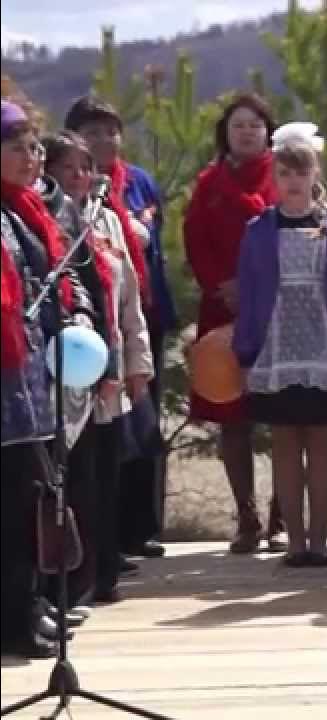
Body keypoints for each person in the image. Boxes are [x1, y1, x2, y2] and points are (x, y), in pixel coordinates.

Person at [232, 123, 327, 568]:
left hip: (323, 349)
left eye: (300, 172)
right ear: (274, 177)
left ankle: (321, 539)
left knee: (322, 442)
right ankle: (294, 539)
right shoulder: (259, 230)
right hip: (277, 348)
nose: (292, 181)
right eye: (284, 172)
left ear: (314, 174)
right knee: (286, 443)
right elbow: (249, 295)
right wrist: (246, 354)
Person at [43, 131, 154, 605]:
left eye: (84, 167)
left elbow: (129, 299)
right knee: (73, 477)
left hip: (105, 365)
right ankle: (67, 581)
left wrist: (138, 362)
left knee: (106, 476)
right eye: (67, 168)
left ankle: (102, 574)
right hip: (58, 372)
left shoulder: (107, 219)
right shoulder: (45, 221)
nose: (78, 176)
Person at [1, 100, 93, 658]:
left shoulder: (25, 211)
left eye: (35, 147)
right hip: (6, 383)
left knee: (34, 499)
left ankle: (30, 606)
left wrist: (75, 311)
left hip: (32, 381)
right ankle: (13, 618)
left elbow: (58, 278)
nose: (31, 158)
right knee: (11, 504)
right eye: (16, 147)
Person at [64, 96, 174, 560]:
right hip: (95, 328)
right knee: (108, 432)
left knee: (145, 427)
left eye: (111, 131)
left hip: (142, 315)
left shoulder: (141, 183)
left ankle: (142, 528)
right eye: (92, 133)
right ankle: (105, 541)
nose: (105, 140)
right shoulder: (76, 197)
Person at [184, 93, 286, 554]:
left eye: (254, 124)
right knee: (234, 419)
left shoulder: (284, 175)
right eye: (238, 125)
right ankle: (246, 516)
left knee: (285, 415)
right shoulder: (208, 183)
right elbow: (195, 241)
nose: (246, 131)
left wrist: (261, 290)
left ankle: (284, 517)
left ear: (268, 131)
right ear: (225, 132)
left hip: (281, 309)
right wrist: (222, 285)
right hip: (223, 306)